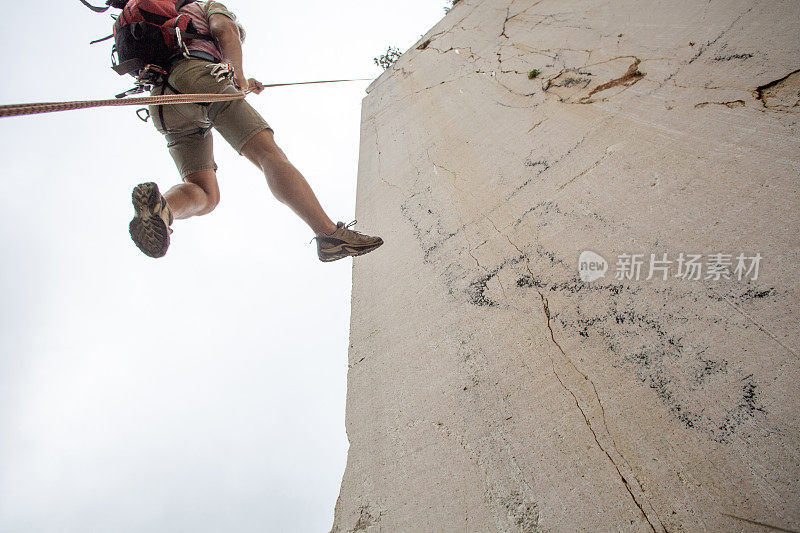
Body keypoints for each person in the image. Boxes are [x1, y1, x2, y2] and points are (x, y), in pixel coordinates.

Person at [129, 0, 383, 261]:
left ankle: (163, 209)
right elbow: (225, 30)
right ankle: (329, 235)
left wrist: (244, 82)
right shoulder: (205, 6)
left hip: (161, 102)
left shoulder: (161, 19)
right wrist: (238, 76)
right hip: (199, 78)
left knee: (205, 192)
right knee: (267, 154)